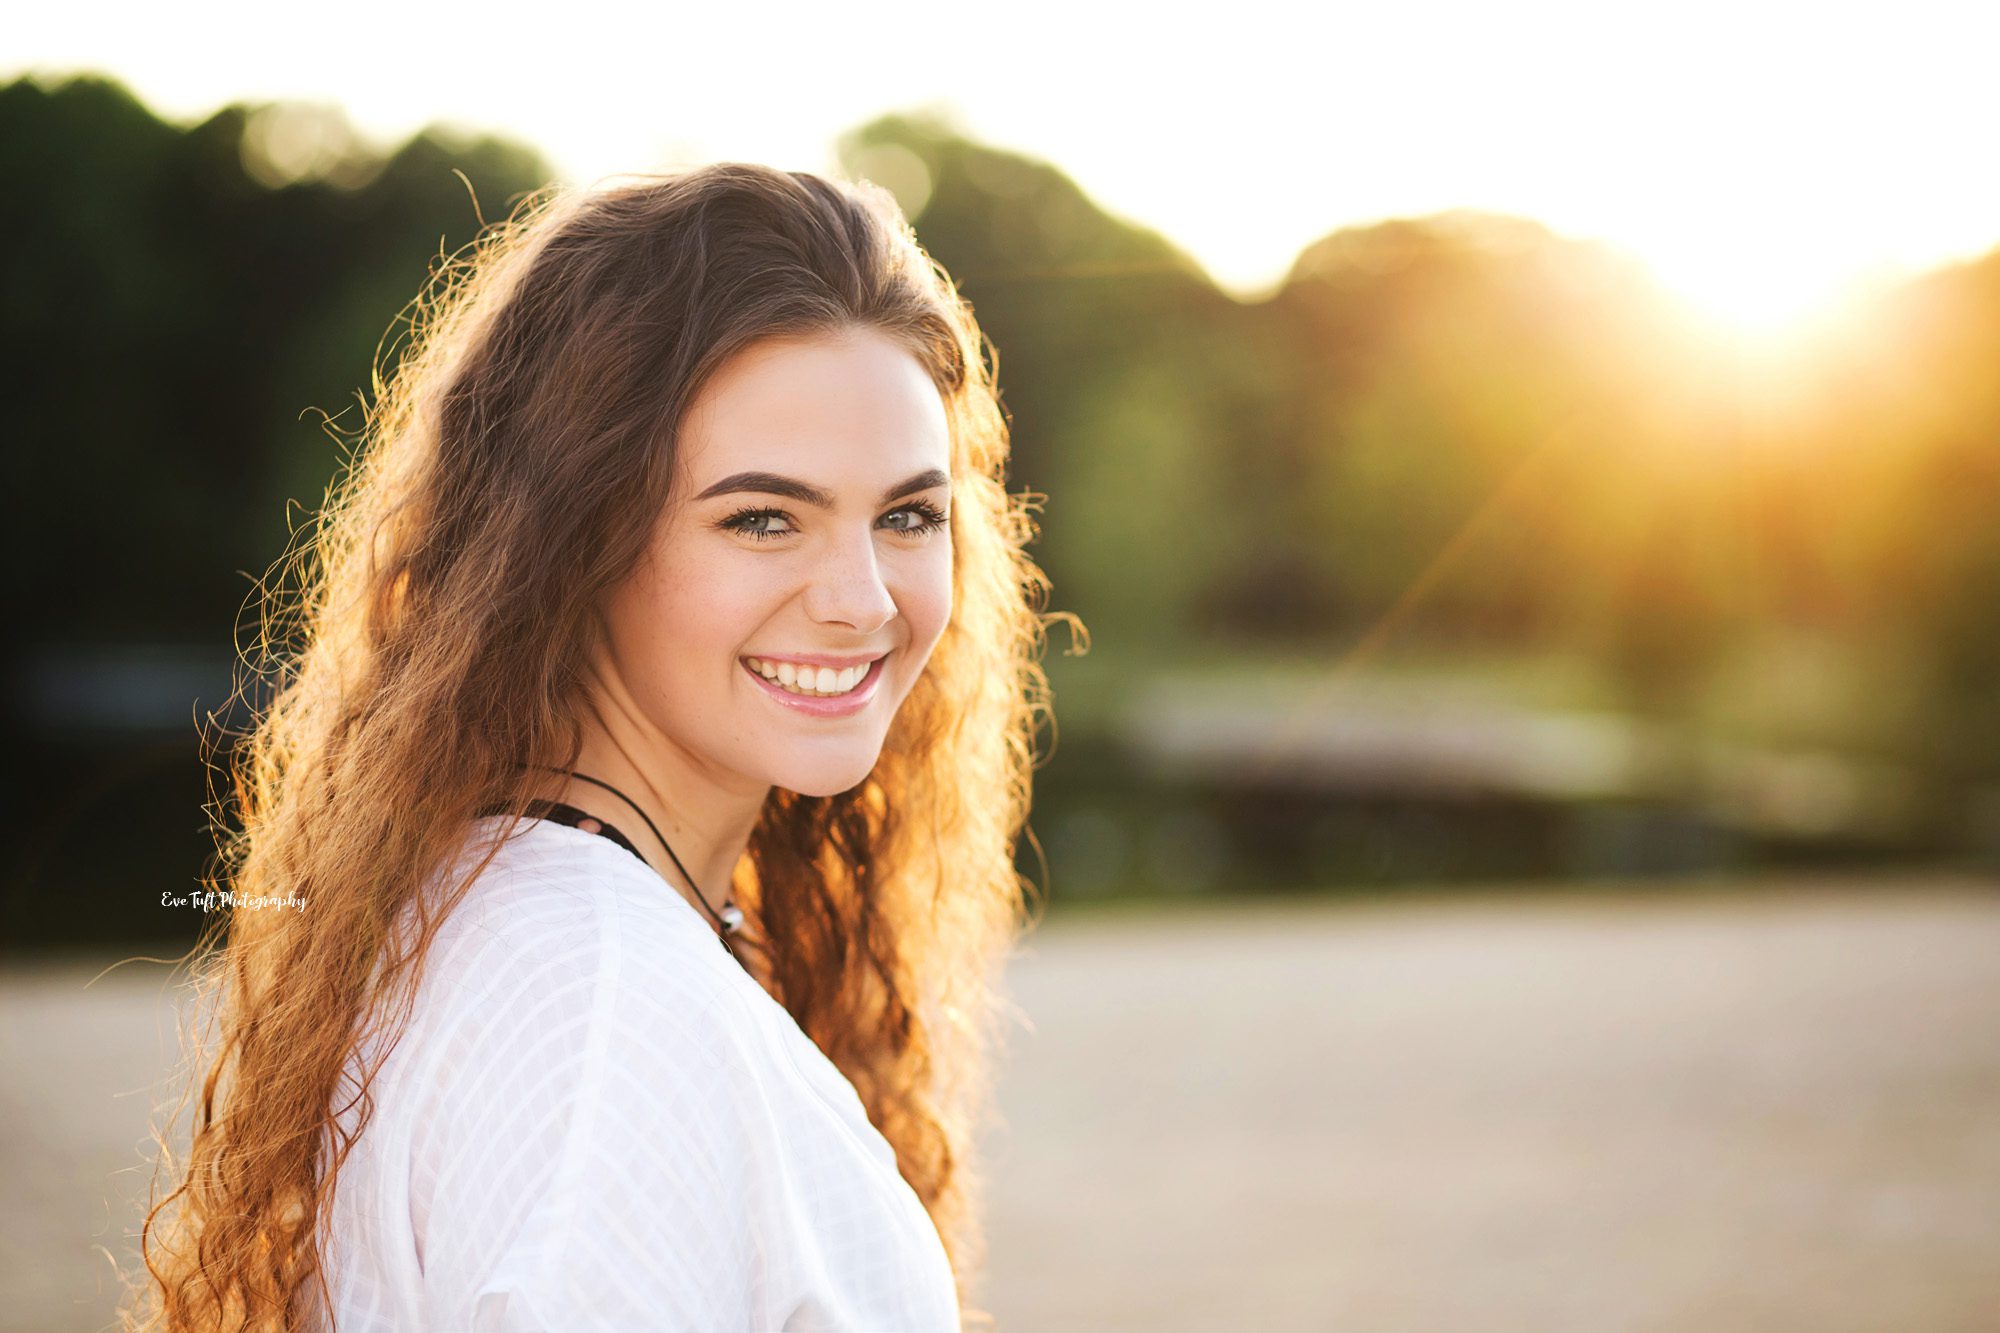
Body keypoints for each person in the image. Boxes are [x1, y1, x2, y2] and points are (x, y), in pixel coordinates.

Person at [126, 162, 1083, 1332]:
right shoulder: (609, 1016)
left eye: (906, 515)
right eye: (760, 517)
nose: (861, 598)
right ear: (570, 540)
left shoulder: (510, 911)